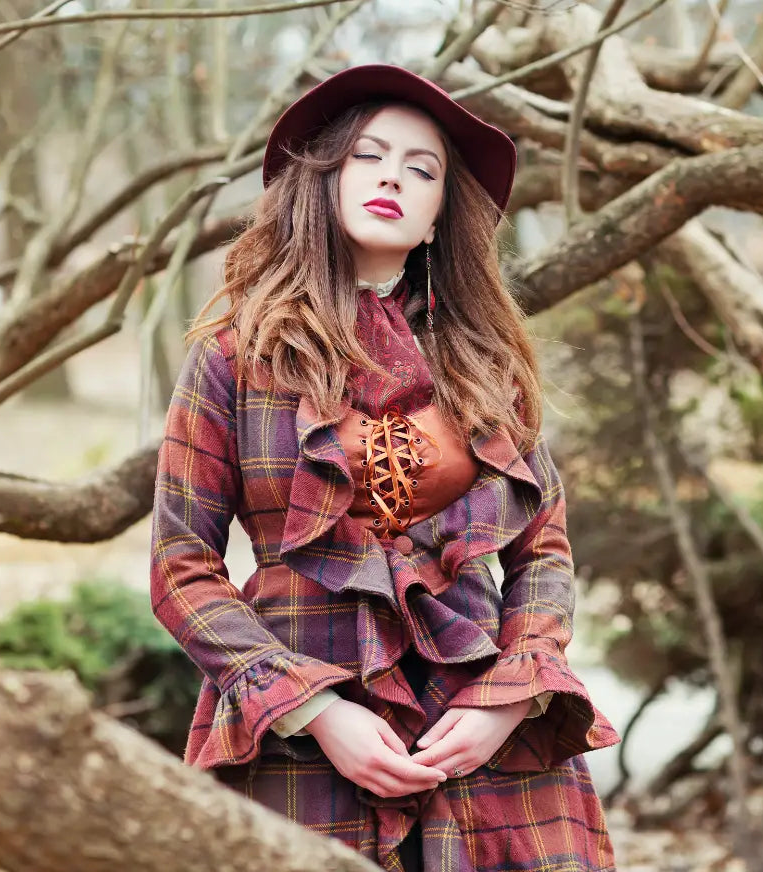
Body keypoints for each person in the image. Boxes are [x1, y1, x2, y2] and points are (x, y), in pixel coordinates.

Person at [150, 64, 620, 871]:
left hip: (478, 742)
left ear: (440, 217)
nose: (393, 178)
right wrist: (313, 708)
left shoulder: (487, 368)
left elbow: (542, 549)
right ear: (323, 180)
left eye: (422, 168)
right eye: (369, 156)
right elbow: (180, 568)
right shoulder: (235, 359)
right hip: (297, 745)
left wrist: (509, 701)